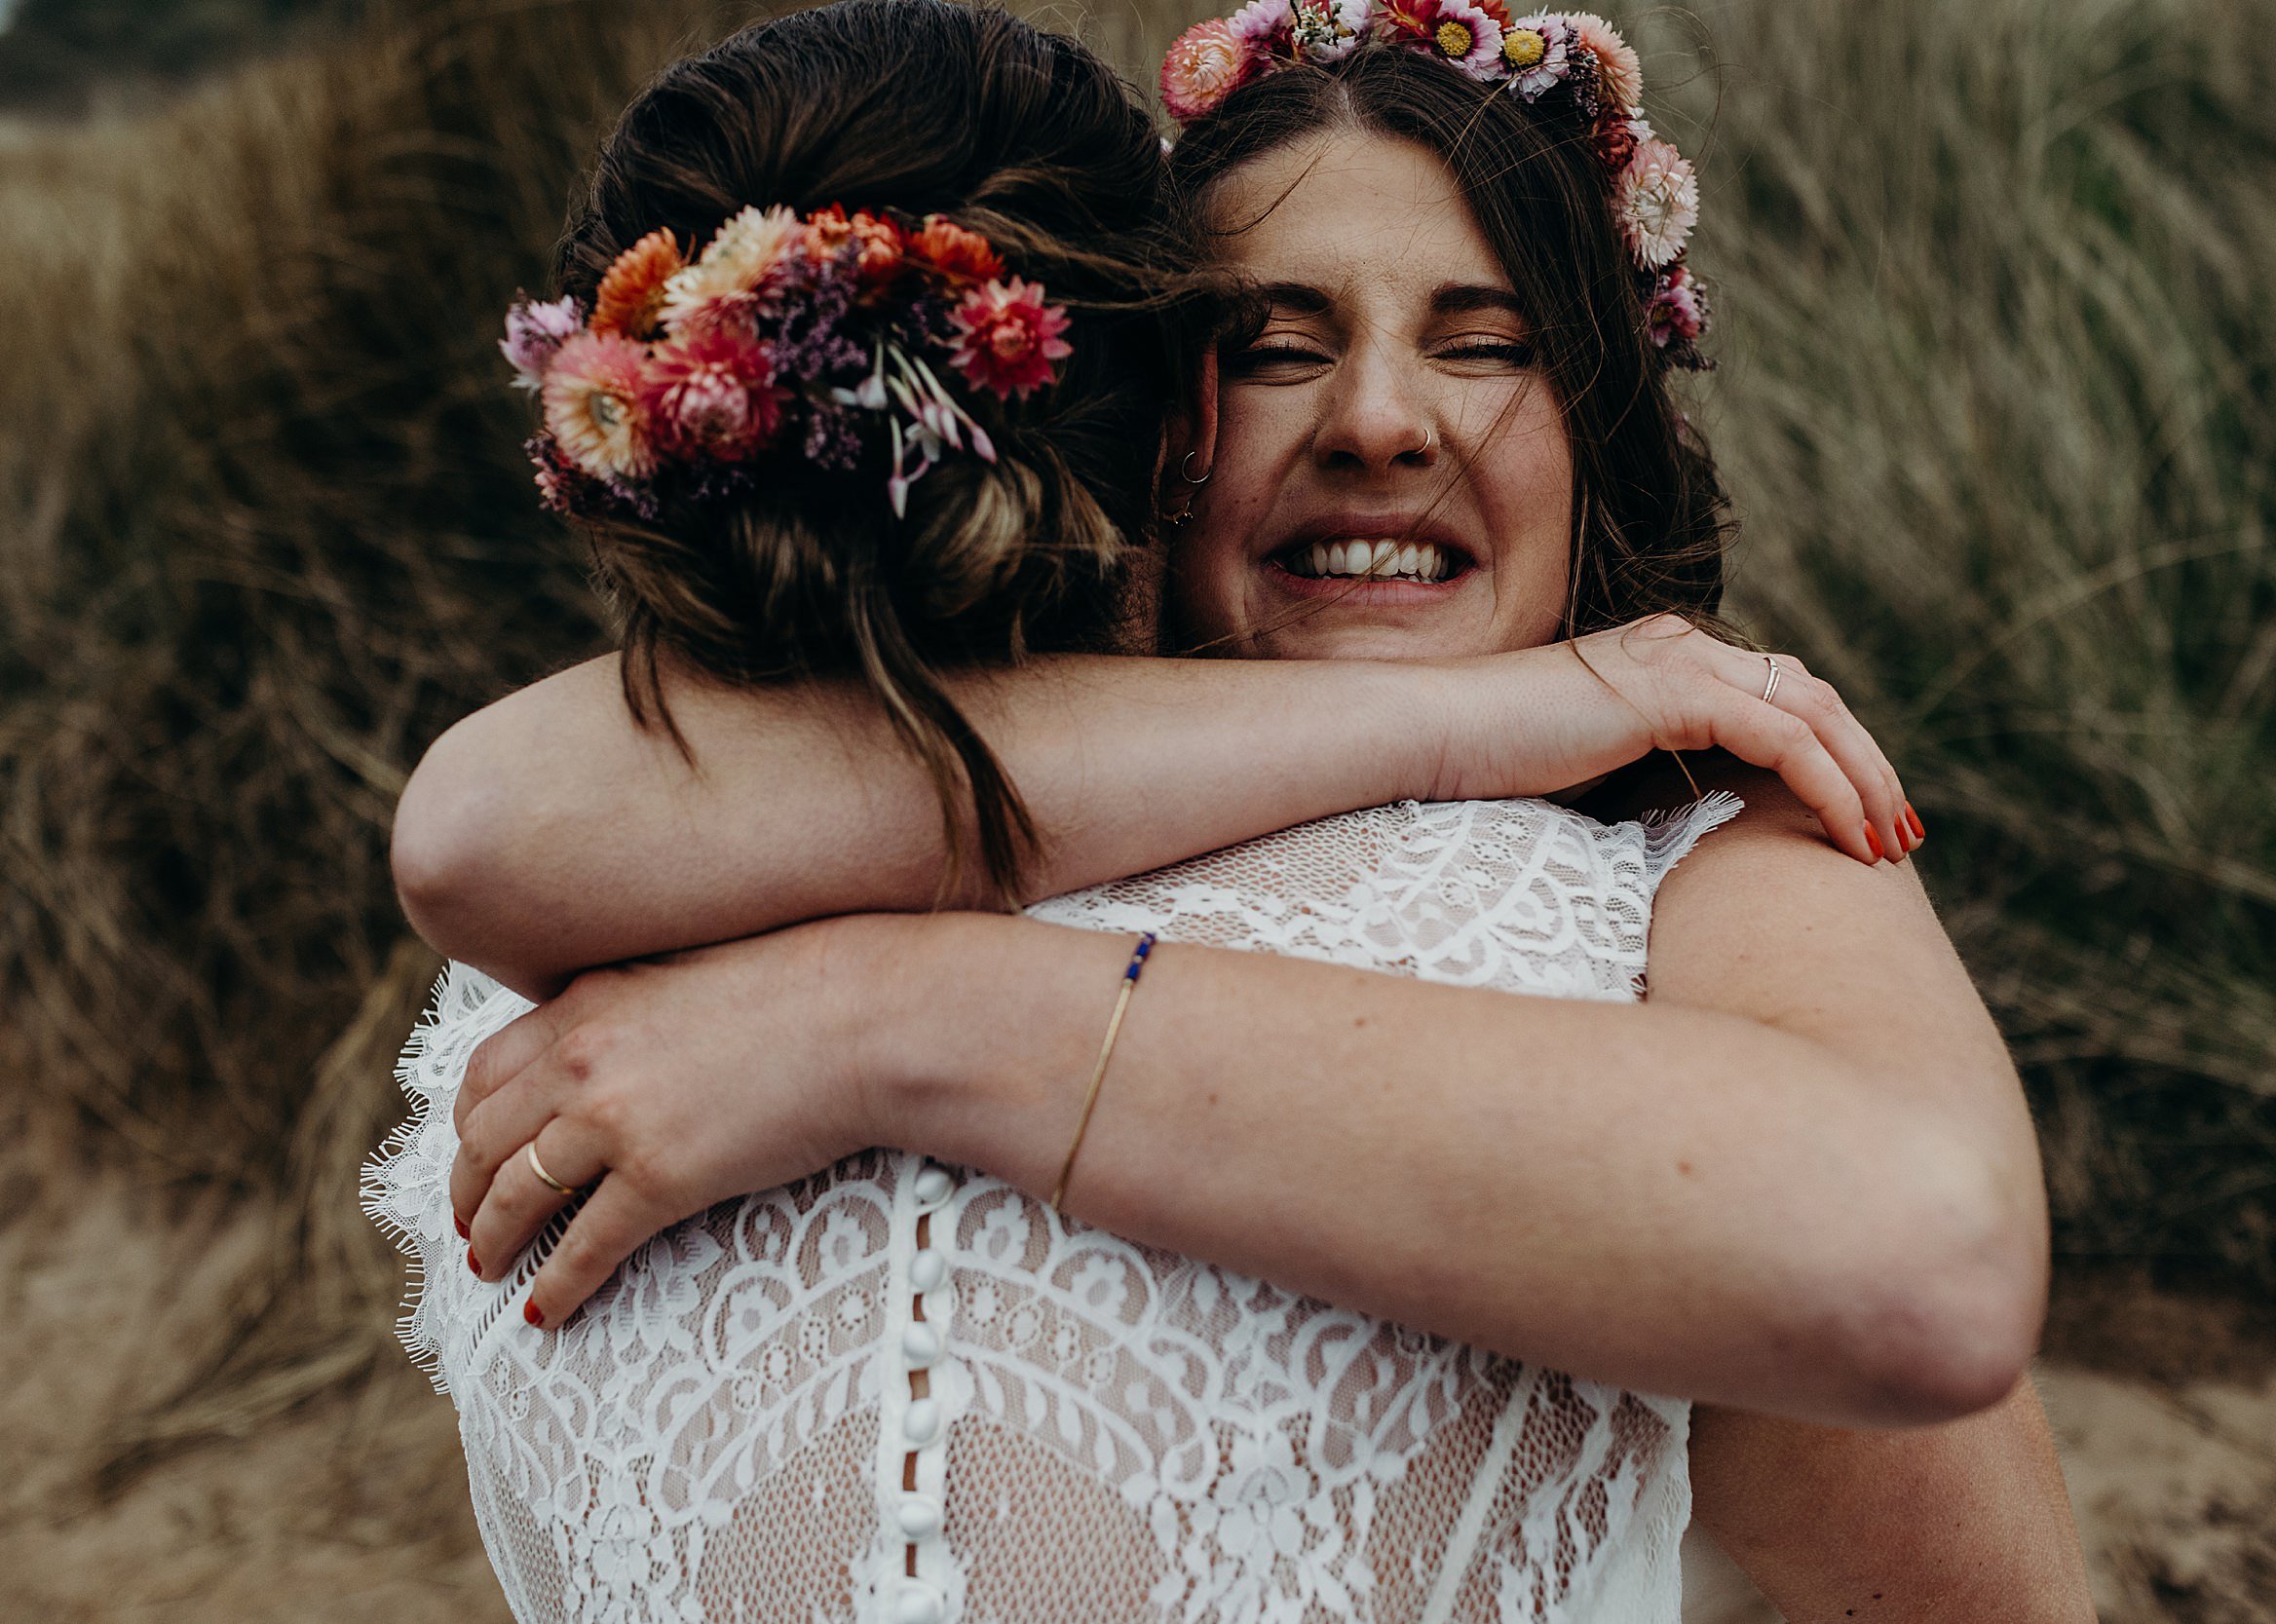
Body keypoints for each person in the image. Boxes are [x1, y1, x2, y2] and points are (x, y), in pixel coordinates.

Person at [367, 1, 2092, 1618]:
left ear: (1598, 425)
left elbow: (1935, 1348)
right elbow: (479, 827)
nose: (1381, 426)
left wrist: (884, 1020)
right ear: (1153, 423)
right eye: (1274, 348)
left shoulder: (1703, 863)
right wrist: (1476, 715)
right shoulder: (798, 800)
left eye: (1485, 343)